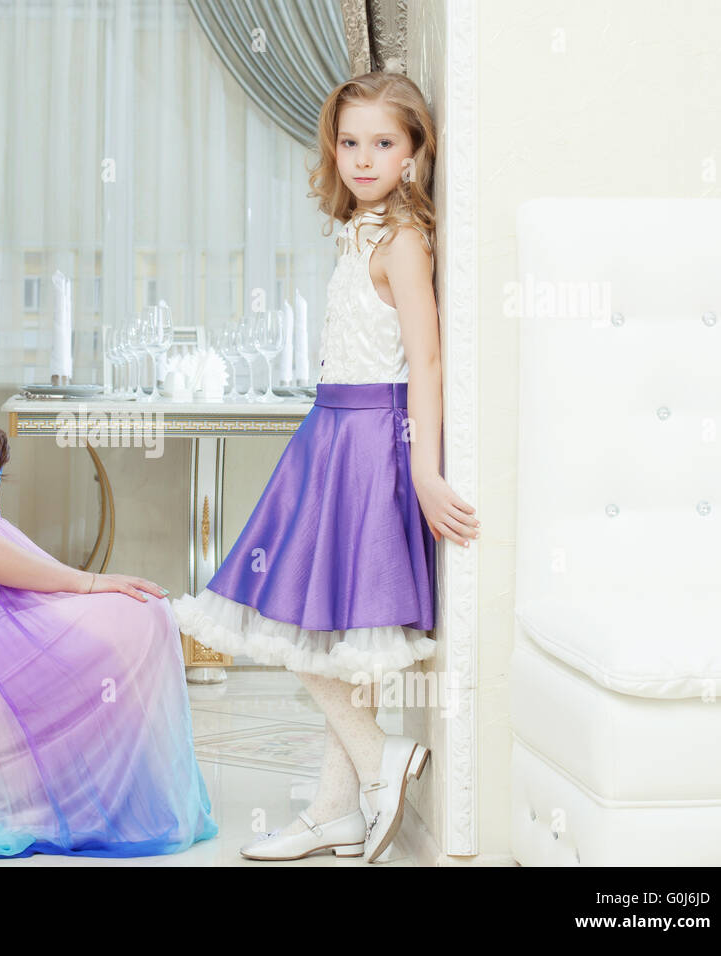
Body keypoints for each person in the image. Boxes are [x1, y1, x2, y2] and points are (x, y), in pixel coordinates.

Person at [172, 71, 479, 863]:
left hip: (373, 440)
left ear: (415, 153)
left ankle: (382, 762)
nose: (363, 158)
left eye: (384, 143)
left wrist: (424, 470)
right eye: (350, 142)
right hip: (330, 430)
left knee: (306, 630)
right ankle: (336, 809)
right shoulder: (360, 230)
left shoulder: (403, 240)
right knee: (342, 635)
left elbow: (429, 359)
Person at [0, 201, 218, 860]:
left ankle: (85, 791)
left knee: (139, 614)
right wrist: (84, 581)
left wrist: (81, 588)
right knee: (139, 619)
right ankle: (76, 796)